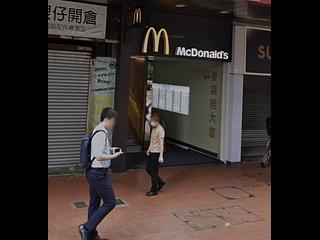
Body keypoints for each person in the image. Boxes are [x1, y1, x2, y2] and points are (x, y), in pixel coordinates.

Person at [79, 108, 123, 240]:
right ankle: (86, 228)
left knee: (95, 202)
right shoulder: (101, 133)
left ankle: (91, 235)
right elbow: (98, 156)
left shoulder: (99, 130)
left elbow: (98, 149)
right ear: (107, 119)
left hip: (94, 173)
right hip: (98, 174)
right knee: (110, 202)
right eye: (113, 121)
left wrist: (109, 150)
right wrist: (113, 156)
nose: (114, 124)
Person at [145, 113, 166, 196]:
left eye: (153, 122)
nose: (151, 123)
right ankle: (160, 182)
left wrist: (161, 156)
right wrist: (149, 149)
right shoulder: (154, 128)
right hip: (152, 151)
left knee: (154, 171)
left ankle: (154, 190)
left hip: (156, 153)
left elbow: (161, 144)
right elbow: (152, 140)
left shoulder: (160, 130)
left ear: (157, 121)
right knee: (148, 169)